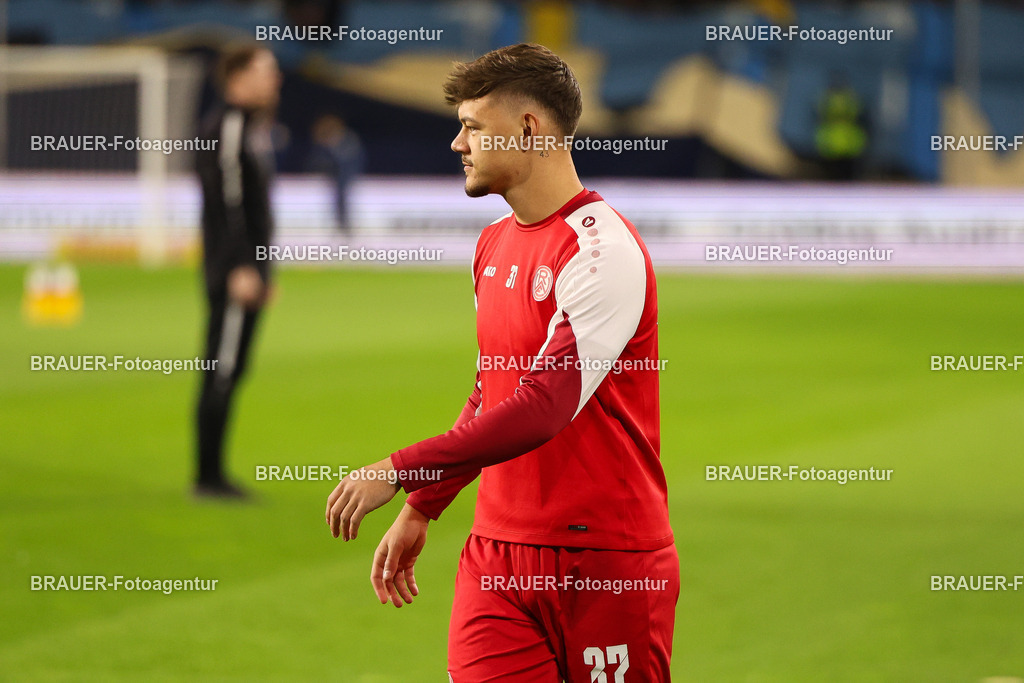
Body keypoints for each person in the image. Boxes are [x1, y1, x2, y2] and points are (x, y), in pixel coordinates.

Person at [325, 43, 678, 680]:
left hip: (604, 561)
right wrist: (422, 507)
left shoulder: (603, 252)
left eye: (473, 126)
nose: (458, 144)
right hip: (497, 558)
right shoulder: (491, 244)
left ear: (528, 129)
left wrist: (398, 470)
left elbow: (543, 407)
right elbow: (494, 392)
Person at [194, 45, 282, 499]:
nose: (275, 80)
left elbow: (254, 210)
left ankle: (211, 474)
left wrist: (266, 271)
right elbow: (228, 204)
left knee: (232, 366)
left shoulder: (251, 128)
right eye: (265, 71)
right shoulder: (228, 127)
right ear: (237, 78)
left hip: (248, 269)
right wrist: (243, 268)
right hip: (233, 272)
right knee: (221, 367)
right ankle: (207, 477)